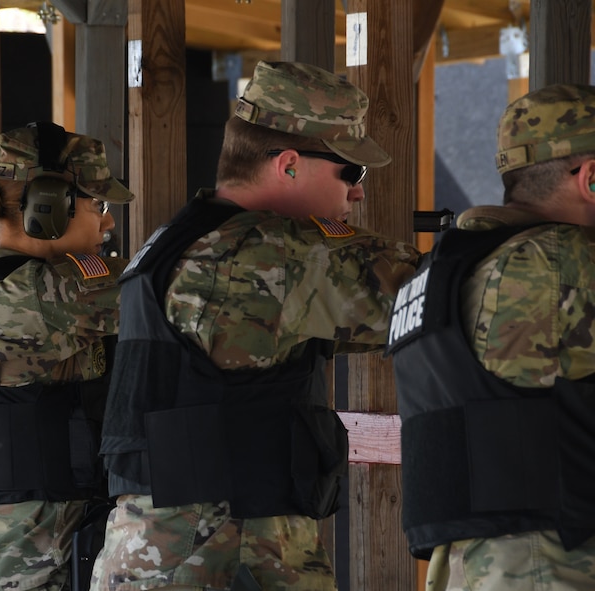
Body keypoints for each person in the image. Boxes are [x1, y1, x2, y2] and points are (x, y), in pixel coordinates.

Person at [91, 61, 421, 591]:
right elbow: (446, 298)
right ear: (289, 164)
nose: (357, 193)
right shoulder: (268, 254)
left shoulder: (175, 242)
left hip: (153, 543)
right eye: (350, 172)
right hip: (230, 541)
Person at [387, 83, 595, 590]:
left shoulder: (435, 275)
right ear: (591, 178)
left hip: (468, 565)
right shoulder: (566, 259)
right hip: (554, 561)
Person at [0, 122, 135, 591]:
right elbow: (165, 289)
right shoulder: (25, 295)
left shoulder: (3, 286)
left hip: (48, 538)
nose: (107, 223)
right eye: (98, 206)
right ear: (49, 208)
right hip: (28, 552)